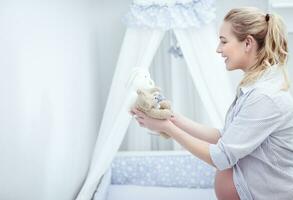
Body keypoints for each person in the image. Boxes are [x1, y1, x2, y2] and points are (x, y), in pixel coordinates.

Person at [131, 7, 293, 200]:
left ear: (248, 43)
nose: (218, 49)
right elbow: (224, 138)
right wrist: (173, 119)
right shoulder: (254, 89)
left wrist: (167, 127)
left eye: (224, 41)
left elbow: (221, 157)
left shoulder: (265, 97)